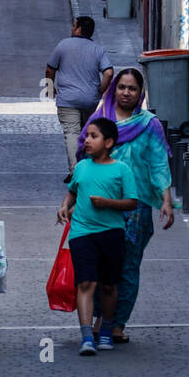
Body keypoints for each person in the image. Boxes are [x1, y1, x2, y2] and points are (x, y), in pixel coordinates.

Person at [79, 68, 174, 343]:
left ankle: (118, 323)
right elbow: (83, 155)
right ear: (113, 89)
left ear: (140, 93)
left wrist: (166, 200)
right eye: (121, 87)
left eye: (132, 88)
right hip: (98, 205)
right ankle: (99, 318)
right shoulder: (99, 120)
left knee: (127, 266)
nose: (126, 93)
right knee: (98, 264)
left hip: (136, 207)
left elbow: (158, 164)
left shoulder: (149, 124)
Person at [57, 117, 137, 355]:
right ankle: (86, 336)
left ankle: (106, 331)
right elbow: (72, 191)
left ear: (109, 142)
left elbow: (132, 202)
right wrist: (64, 206)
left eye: (93, 136)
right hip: (81, 232)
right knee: (86, 282)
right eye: (86, 136)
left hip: (112, 233)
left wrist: (107, 203)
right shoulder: (81, 167)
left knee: (109, 286)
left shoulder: (122, 170)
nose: (87, 141)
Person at [45, 16, 113, 178]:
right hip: (90, 99)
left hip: (68, 99)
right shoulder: (98, 50)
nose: (71, 29)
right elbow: (109, 72)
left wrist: (49, 88)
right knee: (87, 132)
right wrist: (100, 91)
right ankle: (90, 166)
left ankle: (76, 171)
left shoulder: (63, 45)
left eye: (74, 26)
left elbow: (50, 69)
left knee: (72, 132)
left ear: (79, 29)